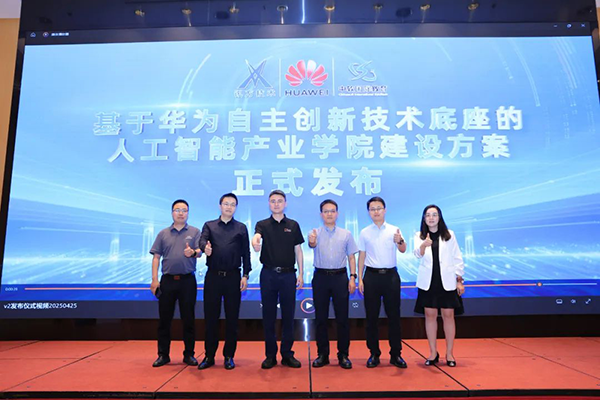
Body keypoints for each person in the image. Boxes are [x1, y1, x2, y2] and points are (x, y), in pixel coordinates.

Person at [197, 193, 251, 370]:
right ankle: (209, 356)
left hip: (233, 277)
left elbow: (246, 253)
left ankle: (229, 356)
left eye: (232, 204)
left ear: (236, 208)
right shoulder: (209, 225)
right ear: (220, 206)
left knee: (232, 318)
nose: (229, 207)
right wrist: (205, 247)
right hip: (213, 277)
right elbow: (202, 240)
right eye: (226, 204)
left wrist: (246, 275)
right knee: (211, 318)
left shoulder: (241, 228)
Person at [252, 190, 304, 369]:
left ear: (285, 203)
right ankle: (270, 355)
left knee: (288, 315)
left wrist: (301, 273)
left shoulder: (293, 225)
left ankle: (287, 354)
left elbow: (298, 250)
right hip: (269, 275)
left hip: (289, 275)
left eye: (279, 201)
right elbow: (257, 236)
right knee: (269, 316)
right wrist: (255, 241)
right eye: (273, 201)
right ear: (269, 204)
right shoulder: (262, 224)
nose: (276, 204)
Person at [150, 199, 202, 367]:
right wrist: (154, 280)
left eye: (184, 210)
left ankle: (189, 354)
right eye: (177, 210)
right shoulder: (163, 233)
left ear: (188, 213)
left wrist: (192, 252)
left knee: (188, 319)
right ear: (172, 213)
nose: (181, 213)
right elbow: (156, 257)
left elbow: (200, 252)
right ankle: (163, 354)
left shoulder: (195, 232)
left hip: (187, 281)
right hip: (167, 281)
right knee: (164, 320)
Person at [357, 196, 407, 368]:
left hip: (391, 276)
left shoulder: (394, 230)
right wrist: (359, 277)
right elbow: (362, 256)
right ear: (369, 212)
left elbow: (403, 249)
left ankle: (396, 354)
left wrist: (400, 240)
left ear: (385, 210)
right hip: (371, 276)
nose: (376, 211)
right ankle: (374, 354)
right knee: (371, 317)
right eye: (372, 209)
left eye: (379, 208)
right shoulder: (364, 232)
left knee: (394, 316)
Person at [308, 199, 358, 369]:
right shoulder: (315, 232)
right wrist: (312, 241)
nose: (329, 214)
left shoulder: (346, 234)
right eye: (326, 211)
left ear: (337, 213)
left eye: (332, 211)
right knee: (320, 318)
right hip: (321, 277)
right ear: (321, 214)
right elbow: (311, 244)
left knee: (342, 318)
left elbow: (351, 257)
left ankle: (343, 355)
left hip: (340, 277)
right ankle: (322, 355)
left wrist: (353, 277)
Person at [413, 204, 465, 367]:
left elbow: (457, 257)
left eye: (434, 214)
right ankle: (432, 352)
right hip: (428, 281)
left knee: (448, 315)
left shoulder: (449, 234)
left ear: (440, 217)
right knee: (430, 315)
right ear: (424, 218)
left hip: (447, 280)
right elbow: (417, 254)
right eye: (428, 215)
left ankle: (449, 354)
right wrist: (424, 244)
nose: (431, 218)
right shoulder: (419, 235)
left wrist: (459, 280)